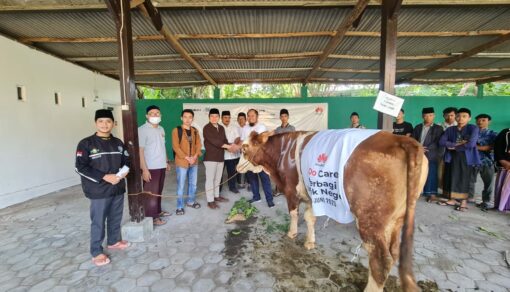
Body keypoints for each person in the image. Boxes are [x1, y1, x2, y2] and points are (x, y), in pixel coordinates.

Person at [75, 109, 130, 267]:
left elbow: (127, 161)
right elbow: (80, 167)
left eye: (108, 121)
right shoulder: (86, 143)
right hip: (98, 190)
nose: (105, 125)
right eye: (101, 121)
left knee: (115, 216)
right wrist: (105, 177)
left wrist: (121, 175)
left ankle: (113, 241)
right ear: (95, 123)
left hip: (117, 186)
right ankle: (96, 251)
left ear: (113, 123)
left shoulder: (118, 142)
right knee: (98, 220)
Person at [439, 108, 480, 212]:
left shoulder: (473, 128)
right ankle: (452, 199)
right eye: (458, 116)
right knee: (451, 176)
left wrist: (454, 147)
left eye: (464, 116)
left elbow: (471, 144)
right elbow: (442, 142)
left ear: (469, 118)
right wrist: (457, 144)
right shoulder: (450, 129)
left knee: (464, 179)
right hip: (451, 157)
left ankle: (463, 202)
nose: (460, 118)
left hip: (466, 157)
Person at [138, 105, 171, 226]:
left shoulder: (161, 129)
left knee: (158, 191)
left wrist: (166, 162)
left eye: (157, 113)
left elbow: (163, 146)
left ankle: (158, 211)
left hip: (161, 165)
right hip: (150, 167)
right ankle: (152, 218)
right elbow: (140, 151)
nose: (155, 115)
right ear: (147, 116)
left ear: (160, 115)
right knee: (150, 193)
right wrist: (144, 170)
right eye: (152, 113)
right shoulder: (142, 130)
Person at [241, 109, 275, 208]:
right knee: (252, 178)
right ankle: (256, 197)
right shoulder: (245, 128)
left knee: (265, 179)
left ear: (257, 117)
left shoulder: (262, 127)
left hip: (261, 159)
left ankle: (269, 200)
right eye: (249, 116)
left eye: (253, 116)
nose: (251, 118)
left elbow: (265, 142)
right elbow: (243, 142)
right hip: (249, 159)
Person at [171, 109, 202, 215]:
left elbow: (199, 145)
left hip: (194, 162)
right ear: (181, 118)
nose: (188, 119)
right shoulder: (176, 130)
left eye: (190, 117)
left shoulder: (195, 131)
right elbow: (176, 147)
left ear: (193, 119)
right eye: (185, 117)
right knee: (181, 185)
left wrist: (195, 156)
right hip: (182, 162)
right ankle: (179, 206)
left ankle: (190, 201)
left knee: (193, 184)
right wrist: (186, 157)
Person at [412, 107, 444, 203]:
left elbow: (437, 141)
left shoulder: (438, 128)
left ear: (434, 116)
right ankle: (416, 192)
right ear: (422, 116)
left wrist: (425, 149)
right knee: (417, 172)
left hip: (431, 154)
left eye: (430, 115)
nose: (428, 117)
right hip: (418, 152)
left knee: (431, 173)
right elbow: (413, 139)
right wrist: (418, 147)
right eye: (426, 115)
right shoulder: (418, 127)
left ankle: (431, 193)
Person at [468, 114, 497, 211]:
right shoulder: (471, 133)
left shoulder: (493, 134)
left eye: (483, 120)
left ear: (489, 122)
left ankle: (486, 201)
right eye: (478, 120)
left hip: (487, 162)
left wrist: (477, 147)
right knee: (470, 181)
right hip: (472, 161)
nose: (480, 122)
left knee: (488, 183)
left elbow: (492, 147)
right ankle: (469, 199)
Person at [203, 108, 231, 209]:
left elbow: (224, 140)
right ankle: (210, 201)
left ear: (219, 117)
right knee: (210, 180)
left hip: (220, 157)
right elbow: (215, 142)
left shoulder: (221, 128)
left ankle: (216, 196)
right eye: (212, 116)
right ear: (209, 117)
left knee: (218, 179)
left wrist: (230, 146)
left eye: (216, 116)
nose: (214, 118)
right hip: (210, 158)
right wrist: (228, 147)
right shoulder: (206, 128)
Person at [221, 110, 241, 194]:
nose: (227, 119)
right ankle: (218, 189)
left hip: (232, 154)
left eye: (228, 117)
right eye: (225, 117)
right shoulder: (218, 127)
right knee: (219, 173)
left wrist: (233, 145)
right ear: (221, 118)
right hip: (221, 155)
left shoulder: (234, 127)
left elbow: (238, 138)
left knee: (232, 172)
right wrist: (228, 146)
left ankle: (232, 187)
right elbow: (219, 141)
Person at [493, 127, 510, 212]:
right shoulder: (505, 132)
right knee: (502, 186)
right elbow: (497, 147)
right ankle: (501, 206)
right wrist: (502, 160)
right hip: (505, 164)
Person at [236, 112, 249, 189]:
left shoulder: (248, 128)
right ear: (237, 120)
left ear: (246, 119)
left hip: (247, 152)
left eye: (242, 119)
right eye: (239, 119)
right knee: (239, 167)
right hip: (237, 152)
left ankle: (249, 184)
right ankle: (241, 183)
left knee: (248, 168)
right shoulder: (236, 129)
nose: (241, 120)